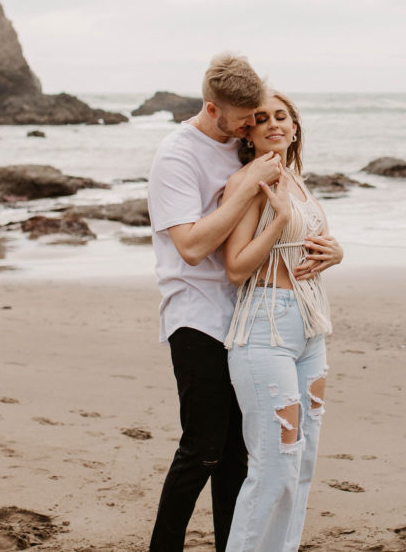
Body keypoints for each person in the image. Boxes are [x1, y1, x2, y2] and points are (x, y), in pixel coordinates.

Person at [147, 53, 284, 552]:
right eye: (243, 116)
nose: (251, 124)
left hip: (246, 316)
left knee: (237, 456)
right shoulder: (176, 156)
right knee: (201, 448)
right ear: (211, 107)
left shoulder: (240, 147)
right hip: (194, 313)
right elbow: (191, 245)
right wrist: (242, 187)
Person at [220, 91, 344, 552]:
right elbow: (235, 267)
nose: (274, 123)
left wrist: (337, 252)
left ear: (294, 127)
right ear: (247, 133)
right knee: (275, 464)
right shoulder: (250, 183)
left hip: (311, 330)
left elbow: (316, 243)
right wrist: (279, 222)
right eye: (262, 119)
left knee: (302, 462)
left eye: (282, 116)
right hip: (264, 330)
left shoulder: (298, 180)